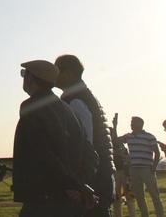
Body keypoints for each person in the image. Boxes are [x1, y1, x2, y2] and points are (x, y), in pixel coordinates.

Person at [12, 60, 94, 217]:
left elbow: (43, 154)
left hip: (43, 198)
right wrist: (80, 185)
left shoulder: (31, 107)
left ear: (31, 79)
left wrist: (72, 185)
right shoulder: (67, 109)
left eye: (24, 74)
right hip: (69, 200)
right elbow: (91, 154)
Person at [55, 55, 116, 217]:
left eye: (57, 69)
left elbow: (84, 145)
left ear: (69, 73)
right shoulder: (83, 96)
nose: (54, 74)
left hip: (93, 178)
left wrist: (78, 182)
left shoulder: (75, 101)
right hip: (101, 174)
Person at [120, 117, 164, 217]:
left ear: (140, 124)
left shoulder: (149, 136)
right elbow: (115, 140)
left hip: (147, 169)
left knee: (154, 195)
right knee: (139, 196)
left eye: (133, 122)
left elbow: (157, 153)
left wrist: (153, 168)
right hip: (134, 169)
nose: (131, 124)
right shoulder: (129, 137)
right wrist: (115, 125)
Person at [110, 115, 135, 217]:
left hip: (125, 172)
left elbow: (127, 157)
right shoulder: (108, 145)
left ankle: (132, 214)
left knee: (129, 196)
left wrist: (115, 126)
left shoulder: (120, 143)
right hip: (115, 173)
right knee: (117, 197)